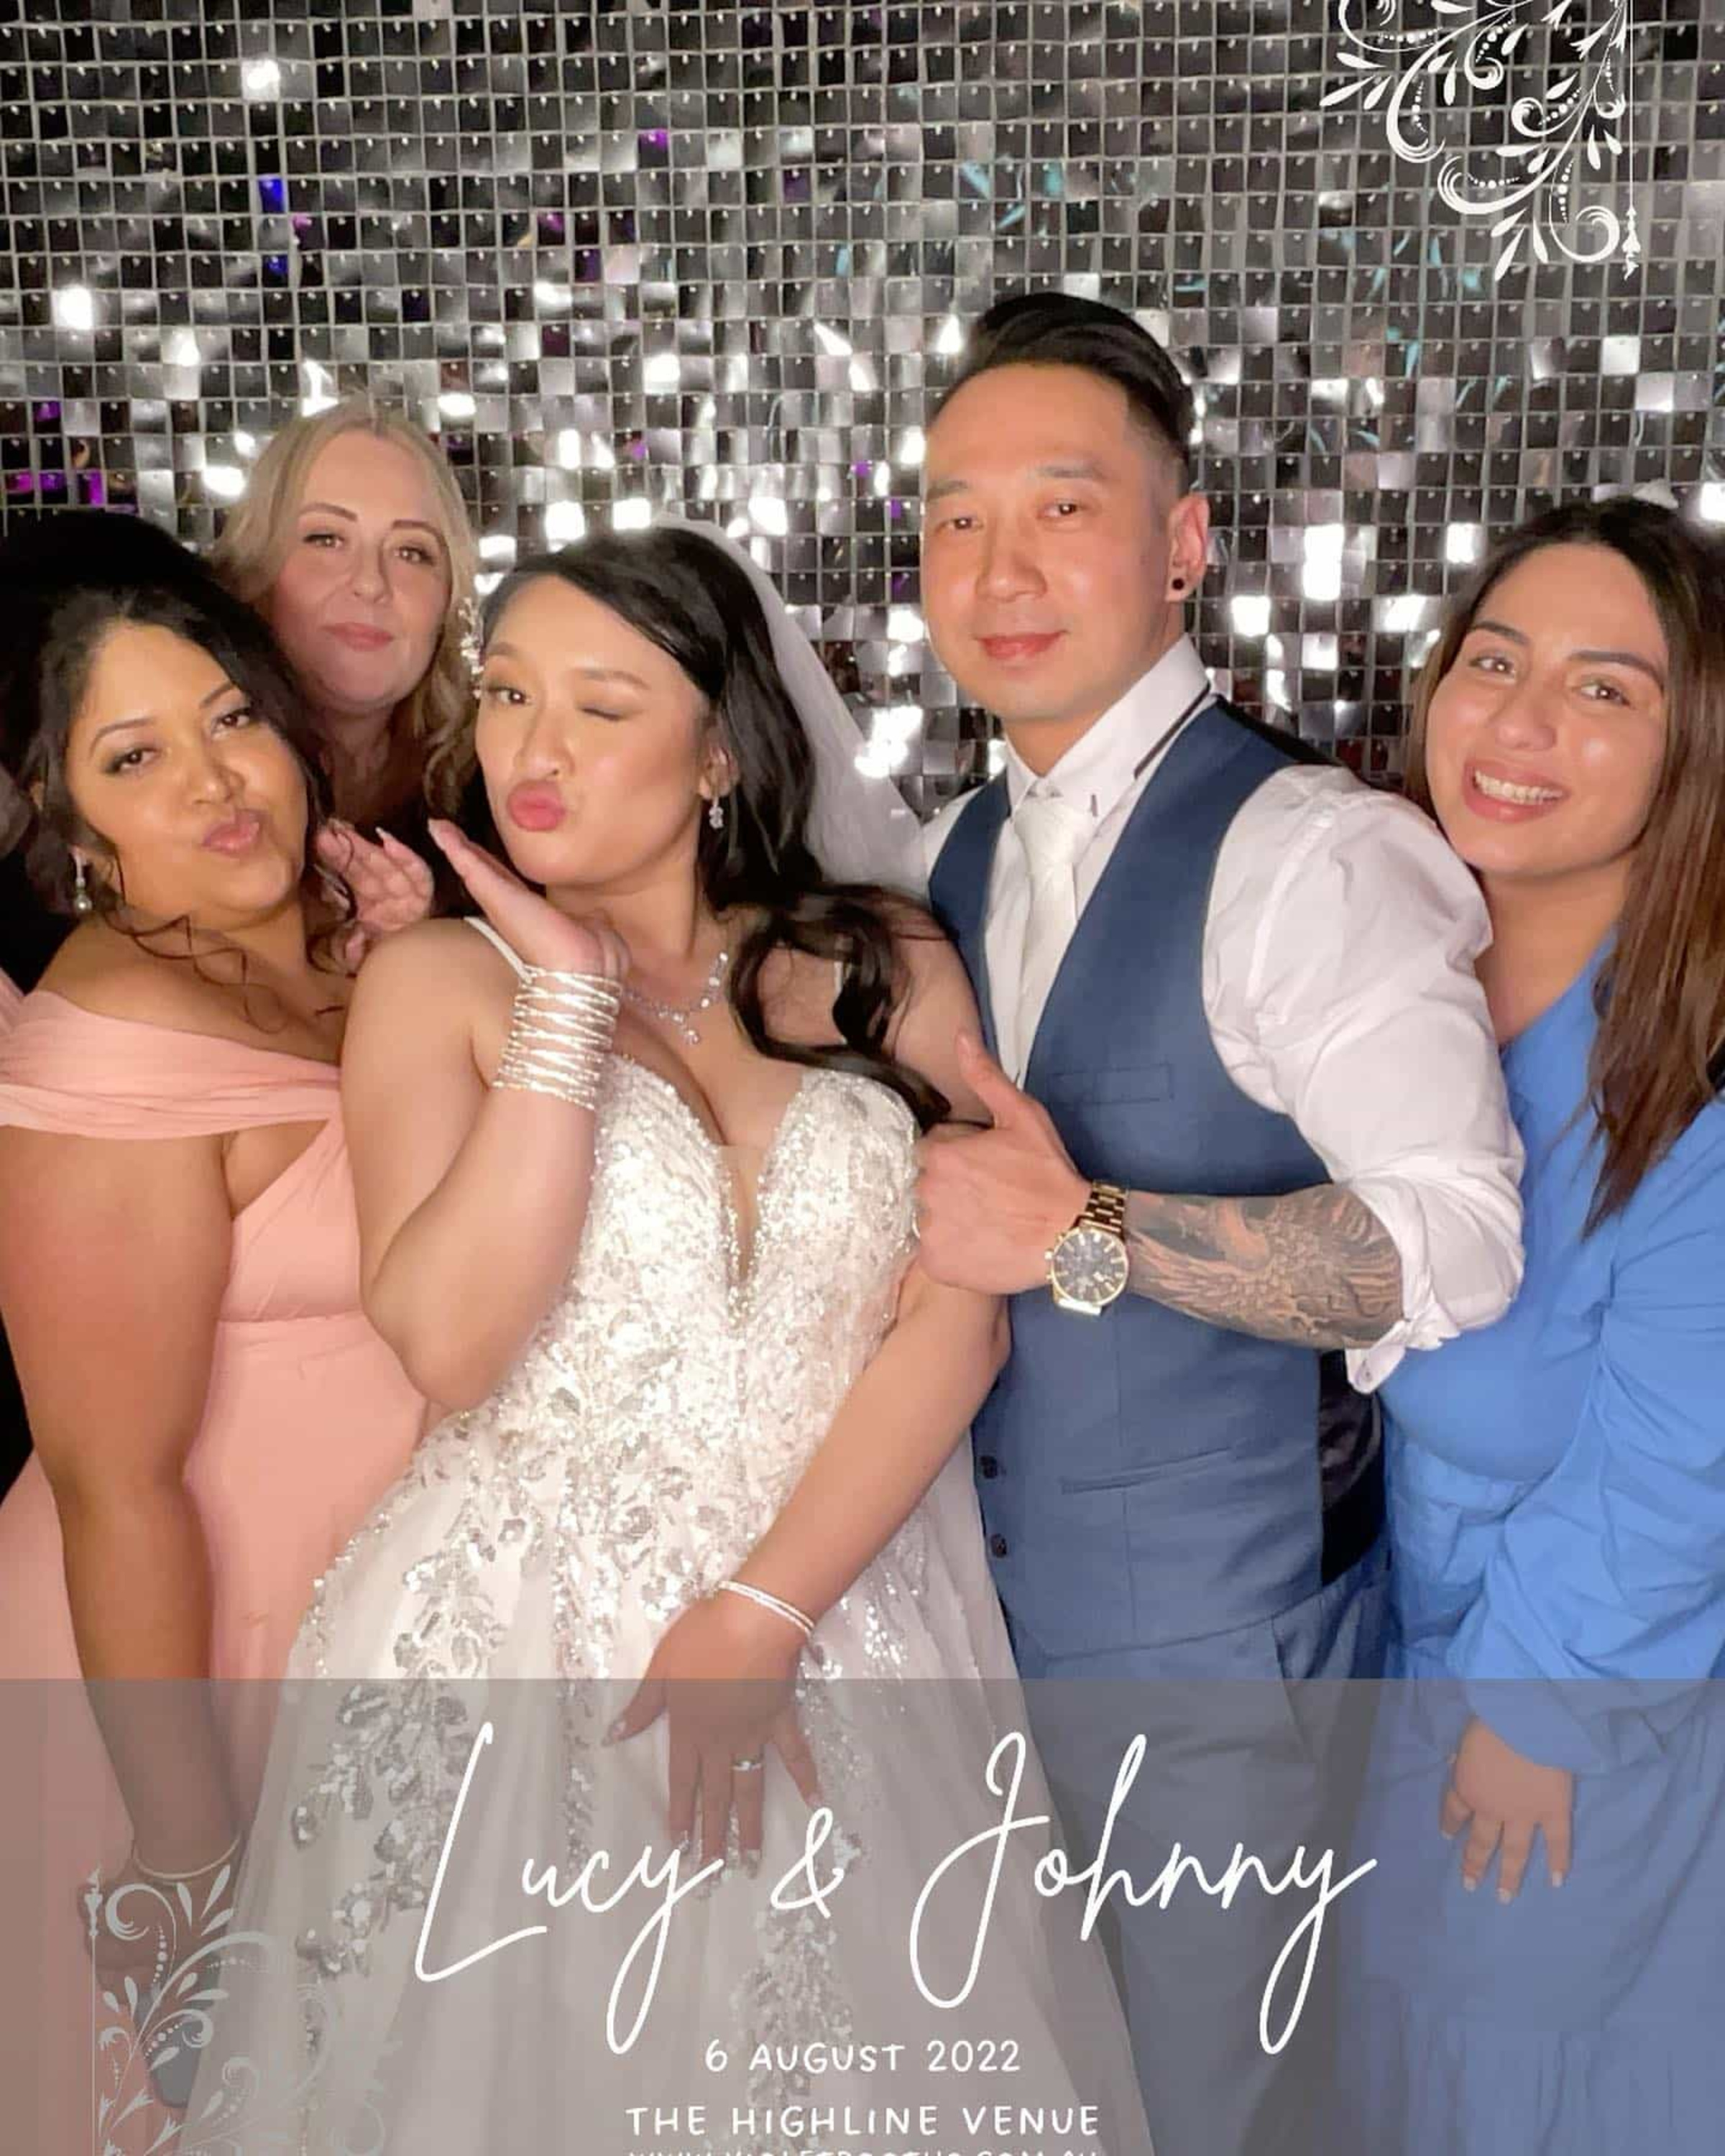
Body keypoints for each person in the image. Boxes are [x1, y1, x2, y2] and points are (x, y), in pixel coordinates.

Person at [185, 523, 1153, 2152]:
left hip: (834, 1602)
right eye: (501, 693)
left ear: (715, 746)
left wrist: (763, 1609)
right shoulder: (437, 983)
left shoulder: (876, 962)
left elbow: (958, 1315)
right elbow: (448, 1348)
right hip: (508, 1634)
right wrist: (562, 1006)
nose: (530, 748)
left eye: (597, 703)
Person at [911, 292, 1526, 2155]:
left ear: (1183, 543)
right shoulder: (949, 849)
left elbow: (1453, 1243)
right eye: (953, 516)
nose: (999, 566)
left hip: (1219, 1693)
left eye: (1064, 506)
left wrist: (1086, 1227)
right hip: (973, 1667)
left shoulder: (1310, 857)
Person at [0, 560, 428, 2150]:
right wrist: (189, 1862)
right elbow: (113, 1483)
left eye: (232, 715)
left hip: (371, 1625)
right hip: (182, 1661)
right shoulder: (106, 1037)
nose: (212, 780)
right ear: (66, 807)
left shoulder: (344, 933)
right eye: (134, 757)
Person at [1346, 499, 1725, 2150]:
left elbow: (1675, 1444)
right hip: (1402, 1619)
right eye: (1491, 661)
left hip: (1577, 1670)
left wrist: (1538, 1703)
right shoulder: (1388, 965)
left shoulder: (1692, 1052)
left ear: (1691, 743)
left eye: (1598, 688)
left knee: (1520, 2060)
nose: (1512, 724)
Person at [208, 396, 484, 897]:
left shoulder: (495, 789)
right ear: (253, 571)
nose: (370, 583)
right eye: (326, 539)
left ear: (450, 598)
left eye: (411, 551)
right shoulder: (195, 782)